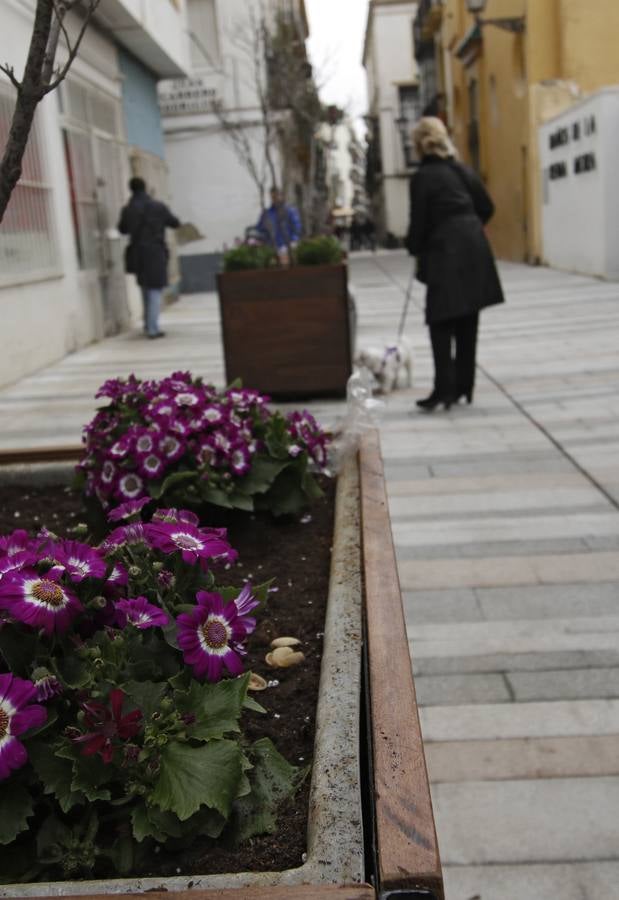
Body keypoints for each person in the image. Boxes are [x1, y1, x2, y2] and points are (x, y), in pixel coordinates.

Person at [406, 117, 504, 411]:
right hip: (474, 248)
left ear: (419, 145)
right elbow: (487, 207)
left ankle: (443, 390)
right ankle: (464, 386)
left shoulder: (423, 176)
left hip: (445, 252)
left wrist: (415, 246)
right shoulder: (462, 170)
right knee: (467, 320)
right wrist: (470, 226)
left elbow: (419, 221)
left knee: (440, 323)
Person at [118, 177, 180, 339]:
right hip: (156, 251)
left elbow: (122, 229)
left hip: (138, 253)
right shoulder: (158, 206)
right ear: (145, 188)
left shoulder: (128, 209)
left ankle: (148, 324)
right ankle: (152, 328)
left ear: (131, 189)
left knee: (145, 287)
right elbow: (174, 223)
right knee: (155, 290)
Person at [256, 187, 302, 264]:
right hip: (271, 250)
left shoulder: (290, 211)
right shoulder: (267, 213)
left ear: (282, 196)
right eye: (273, 197)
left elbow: (297, 229)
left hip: (287, 249)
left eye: (277, 196)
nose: (275, 199)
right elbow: (260, 230)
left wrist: (292, 244)